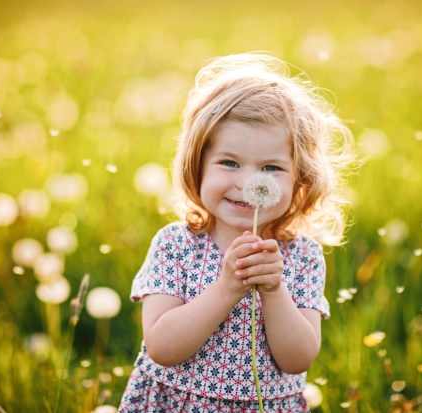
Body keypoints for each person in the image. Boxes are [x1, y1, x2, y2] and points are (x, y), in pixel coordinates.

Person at [118, 52, 354, 413]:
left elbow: (298, 359)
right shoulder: (176, 245)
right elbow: (162, 348)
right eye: (229, 163)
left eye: (271, 167)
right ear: (197, 166)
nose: (247, 183)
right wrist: (227, 288)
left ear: (300, 180)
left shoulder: (300, 256)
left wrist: (274, 291)